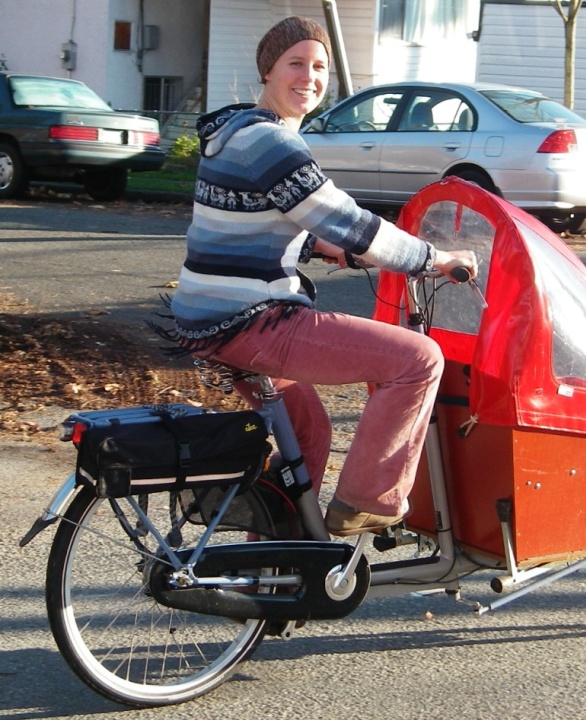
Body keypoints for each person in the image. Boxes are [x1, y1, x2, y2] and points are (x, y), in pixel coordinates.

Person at [164, 16, 477, 536]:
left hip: (208, 318)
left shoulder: (233, 133)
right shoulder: (269, 141)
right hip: (251, 320)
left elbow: (251, 221)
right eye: (296, 64)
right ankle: (368, 502)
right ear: (268, 70)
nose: (308, 76)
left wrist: (322, 247)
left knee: (307, 430)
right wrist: (432, 258)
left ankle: (275, 561)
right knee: (418, 360)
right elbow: (342, 217)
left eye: (319, 67)